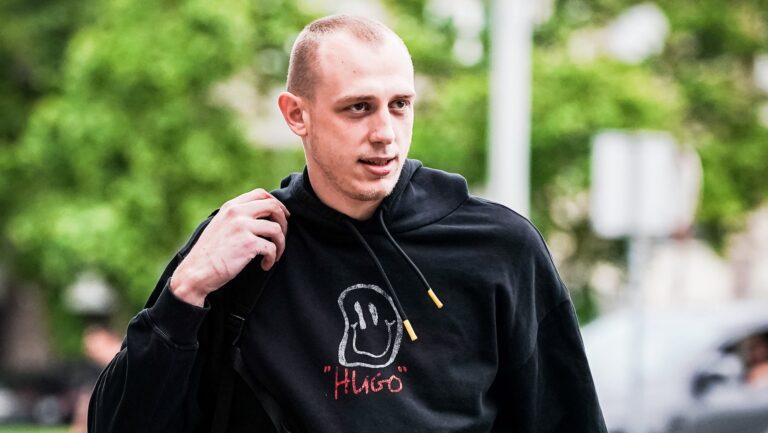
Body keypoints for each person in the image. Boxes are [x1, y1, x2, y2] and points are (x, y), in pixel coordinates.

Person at [88, 14, 607, 433]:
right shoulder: (239, 247)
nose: (385, 133)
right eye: (358, 108)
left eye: (399, 105)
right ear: (296, 114)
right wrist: (184, 294)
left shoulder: (500, 248)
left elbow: (568, 420)